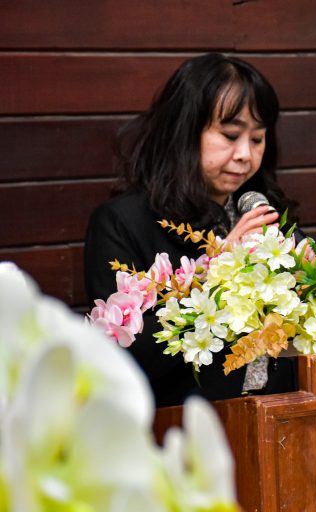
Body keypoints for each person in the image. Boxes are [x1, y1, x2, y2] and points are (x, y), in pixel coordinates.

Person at [85, 53, 299, 407]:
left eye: (258, 139)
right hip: (191, 423)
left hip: (283, 414)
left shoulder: (261, 211)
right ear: (184, 133)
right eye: (230, 135)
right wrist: (222, 270)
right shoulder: (121, 223)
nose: (245, 155)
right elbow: (124, 360)